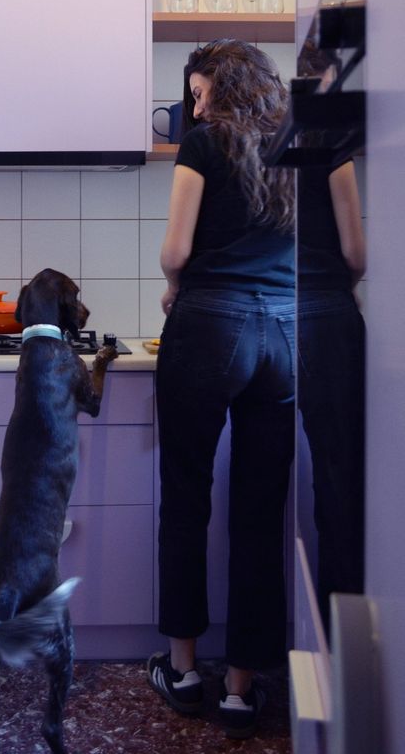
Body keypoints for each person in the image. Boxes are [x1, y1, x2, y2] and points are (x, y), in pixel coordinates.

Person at [146, 38, 296, 740]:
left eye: (199, 91)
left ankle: (180, 672)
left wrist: (174, 287)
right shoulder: (302, 144)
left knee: (185, 497)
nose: (195, 104)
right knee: (261, 511)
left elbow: (175, 250)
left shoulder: (205, 145)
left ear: (222, 89)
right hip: (284, 335)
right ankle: (240, 688)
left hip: (210, 324)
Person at [296, 42, 366, 636]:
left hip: (279, 316)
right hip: (330, 319)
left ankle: (306, 629)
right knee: (338, 475)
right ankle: (343, 631)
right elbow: (354, 253)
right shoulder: (337, 150)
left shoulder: (275, 146)